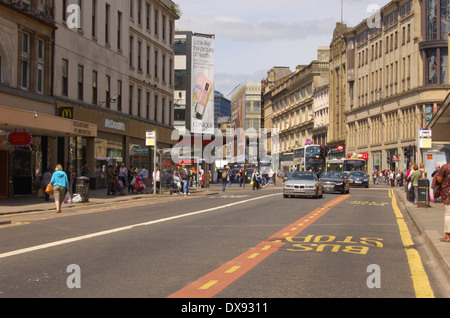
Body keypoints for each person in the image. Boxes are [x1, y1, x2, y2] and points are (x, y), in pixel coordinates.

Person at [436, 163, 450, 242]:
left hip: (448, 192)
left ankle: (448, 236)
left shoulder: (445, 167)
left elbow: (439, 179)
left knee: (448, 214)